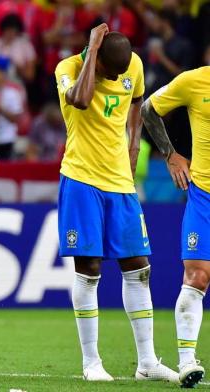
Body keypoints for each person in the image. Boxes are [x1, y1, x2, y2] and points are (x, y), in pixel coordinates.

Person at [55, 23, 178, 382]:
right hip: (81, 180)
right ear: (98, 58)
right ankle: (91, 363)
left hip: (120, 182)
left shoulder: (132, 65)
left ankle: (147, 363)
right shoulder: (68, 69)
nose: (118, 78)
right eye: (112, 72)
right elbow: (78, 99)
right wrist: (91, 52)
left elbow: (137, 99)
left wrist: (135, 141)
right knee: (89, 268)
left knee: (139, 267)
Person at [141, 64, 210, 388]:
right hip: (203, 197)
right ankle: (186, 362)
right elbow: (148, 110)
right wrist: (170, 154)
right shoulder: (194, 81)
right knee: (196, 275)